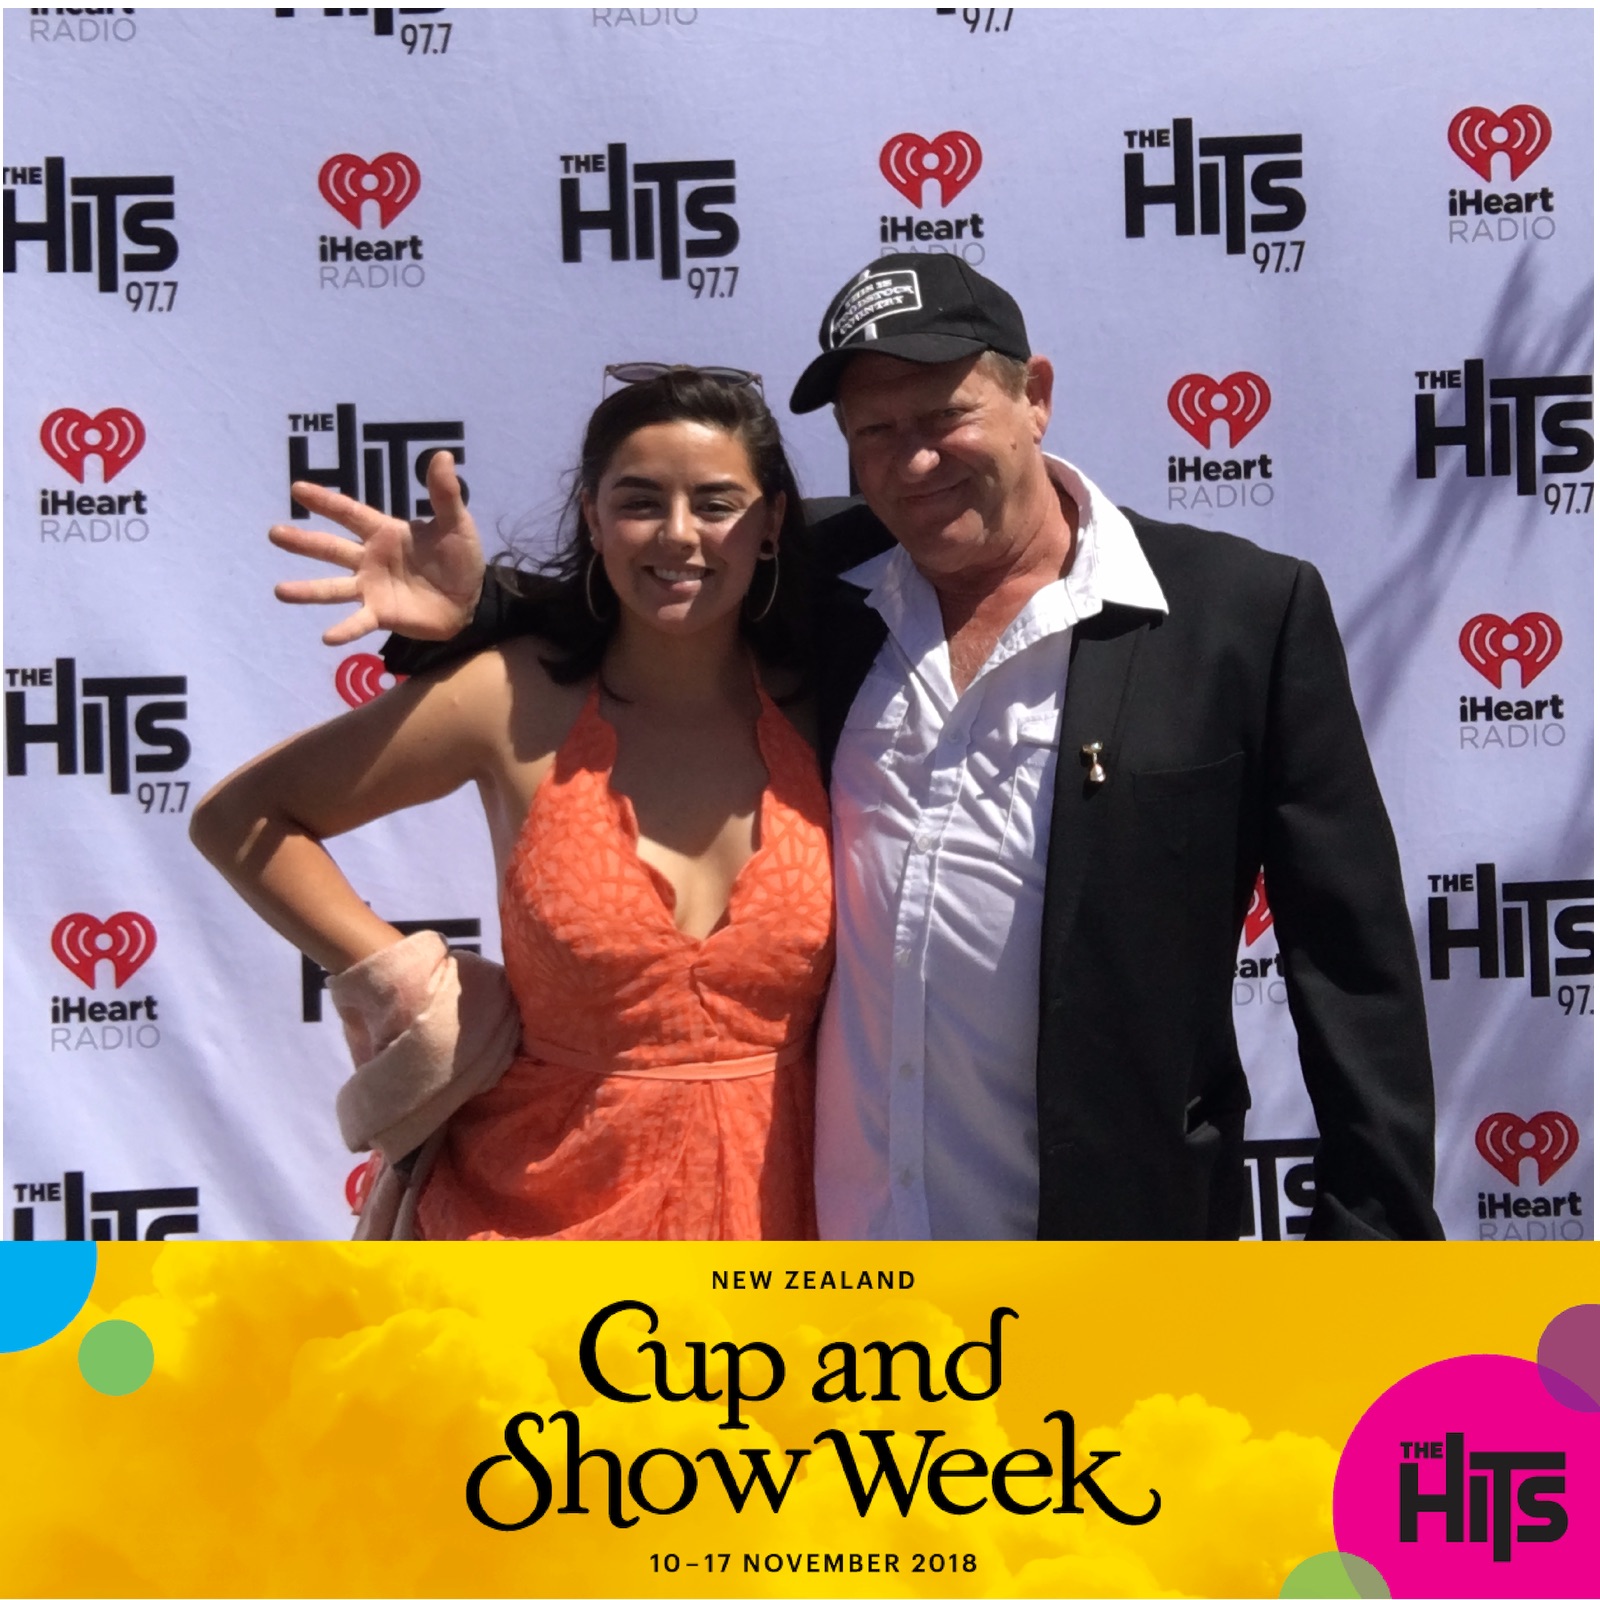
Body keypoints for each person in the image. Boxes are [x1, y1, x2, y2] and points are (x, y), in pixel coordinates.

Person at [366, 255, 1444, 1242]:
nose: (913, 460)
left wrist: (1375, 1246)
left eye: (945, 415)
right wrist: (474, 609)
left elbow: (1350, 961)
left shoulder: (1234, 615)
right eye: (873, 431)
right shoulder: (823, 581)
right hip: (837, 1269)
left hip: (1113, 1255)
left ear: (1035, 397)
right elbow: (656, 588)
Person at [192, 368, 834, 1240]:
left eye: (717, 503)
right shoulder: (510, 697)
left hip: (792, 1230)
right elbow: (241, 820)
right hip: (533, 1223)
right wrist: (406, 982)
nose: (679, 534)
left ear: (772, 525)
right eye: (641, 502)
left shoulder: (838, 701)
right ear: (593, 519)